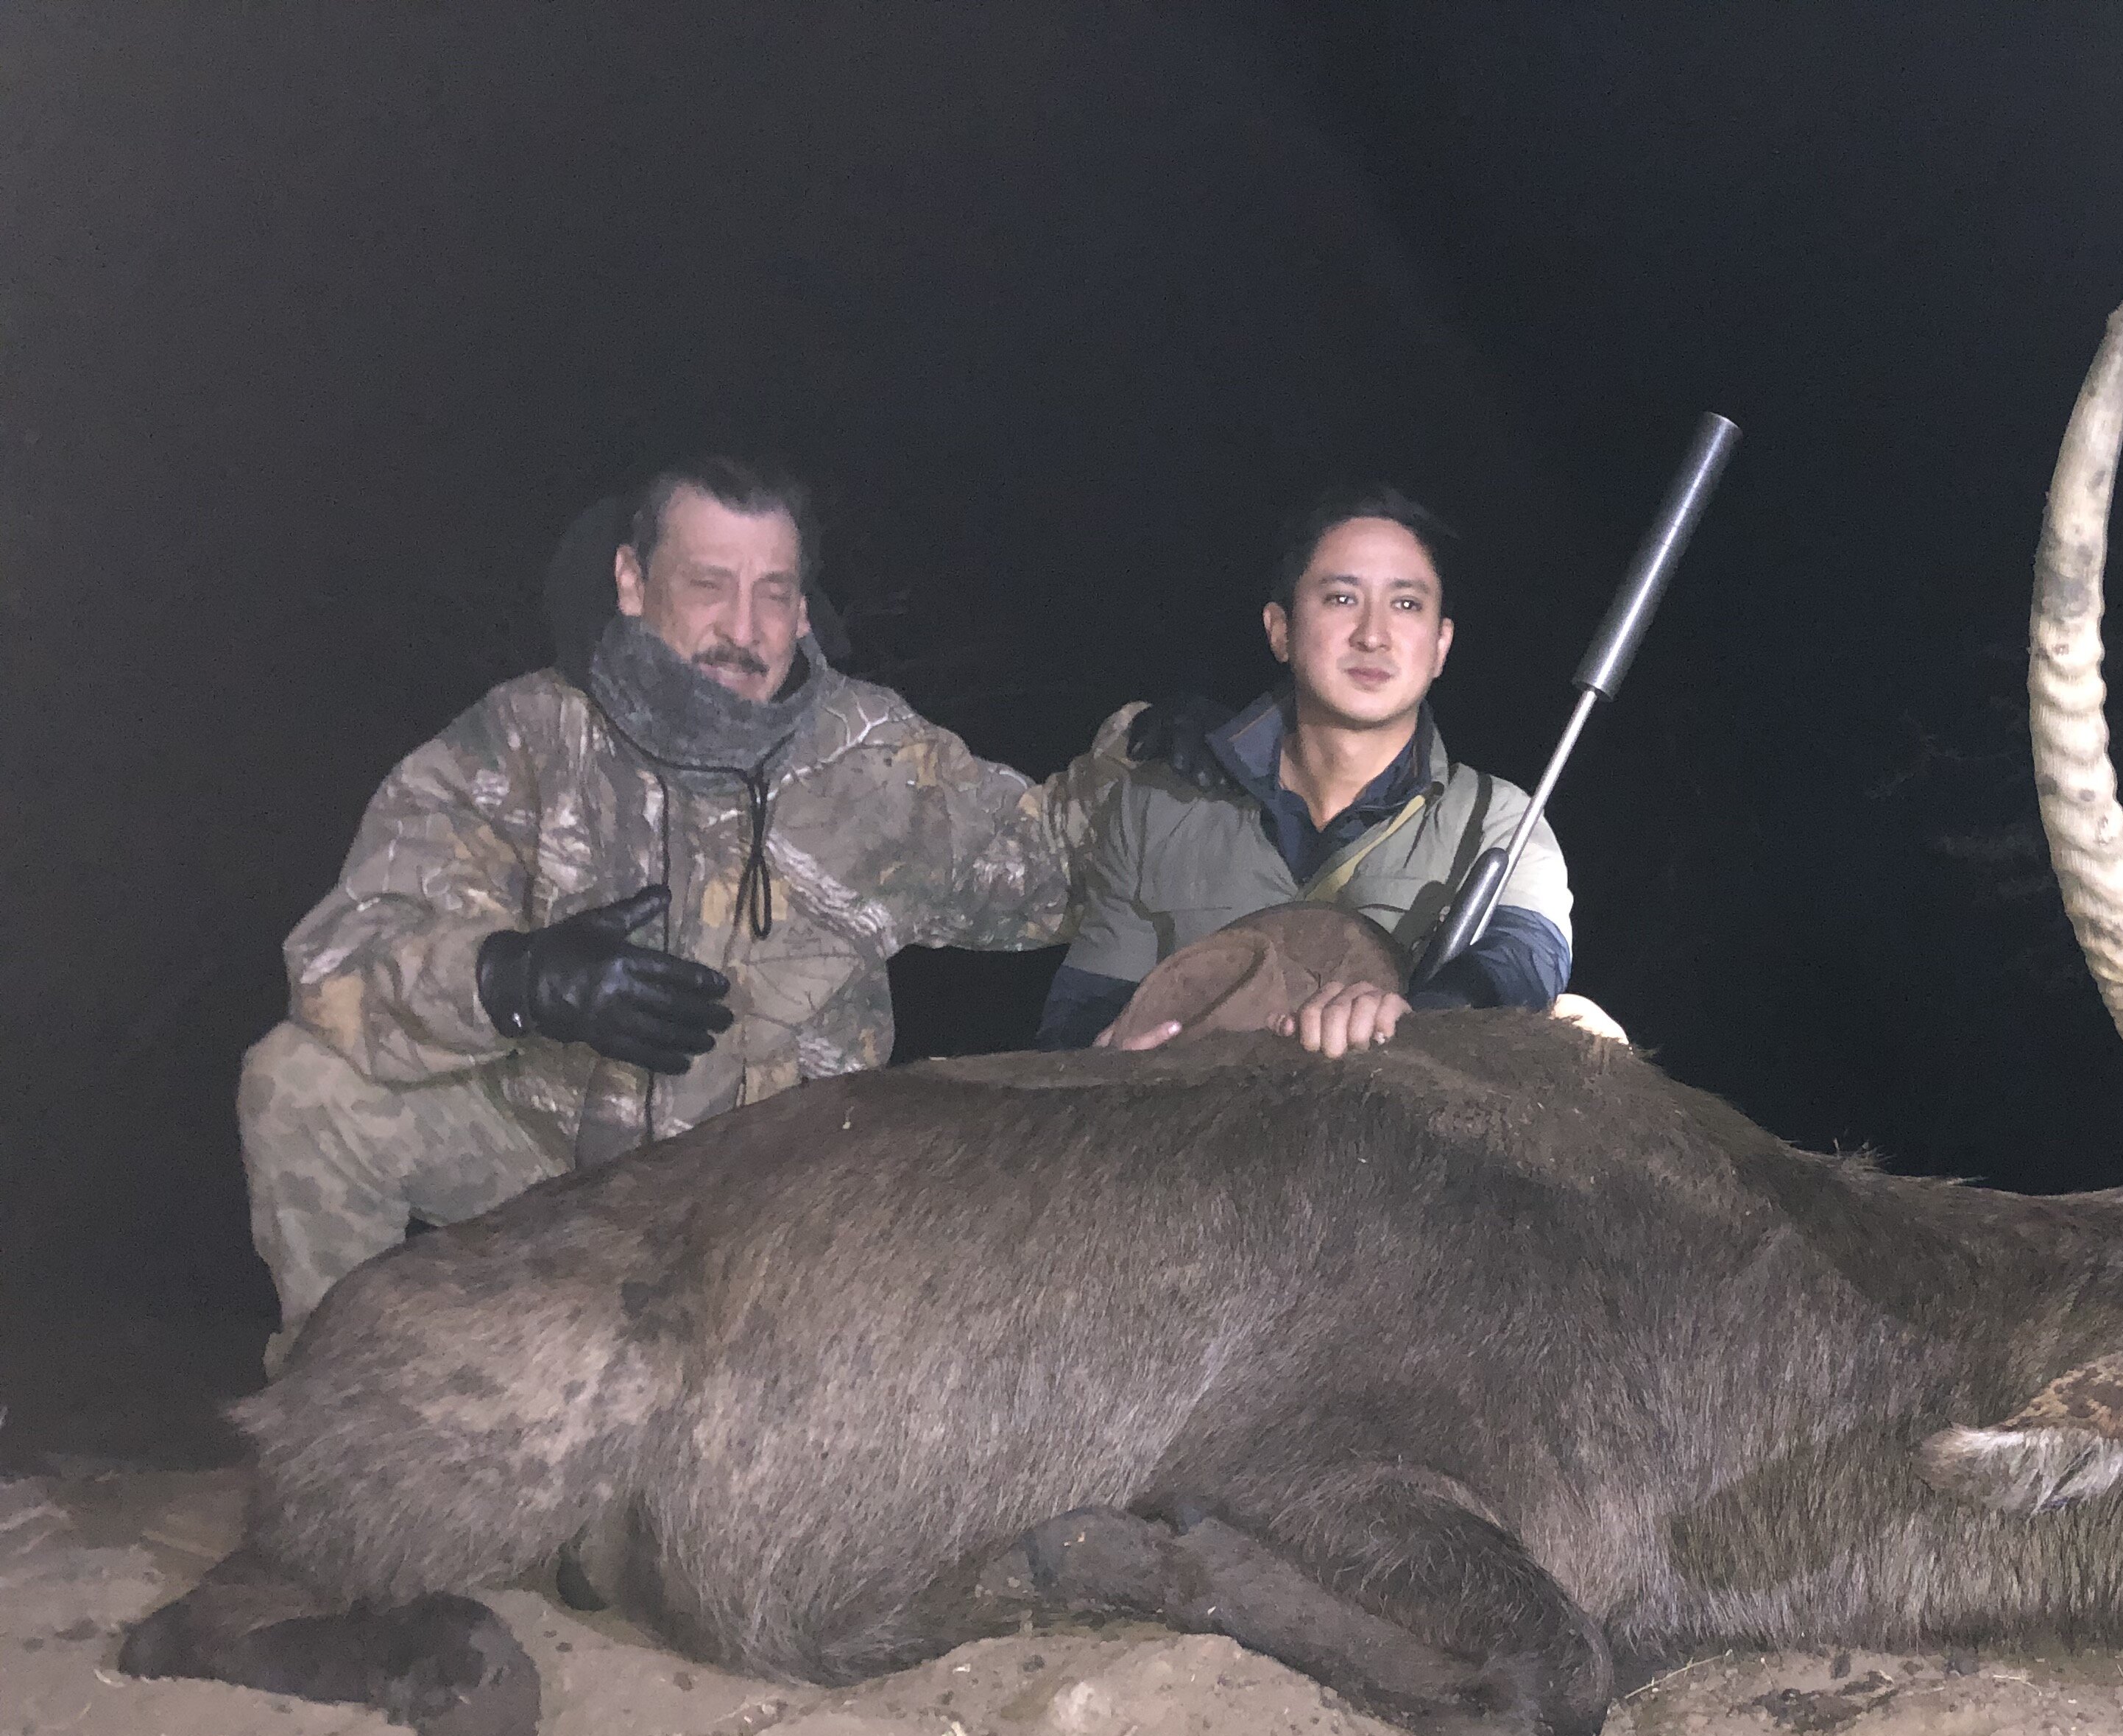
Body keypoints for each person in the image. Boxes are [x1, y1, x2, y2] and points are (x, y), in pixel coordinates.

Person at [243, 456, 1126, 1372]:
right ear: (632, 581)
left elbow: (1053, 868)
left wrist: (1149, 766)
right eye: (708, 586)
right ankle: (341, 1426)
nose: (744, 630)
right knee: (302, 1083)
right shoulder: (526, 737)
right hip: (549, 1180)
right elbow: (338, 960)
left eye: (774, 594)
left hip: (774, 1213)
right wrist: (514, 980)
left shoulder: (876, 757)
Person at [1036, 486, 1572, 1059]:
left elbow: (1528, 957)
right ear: (1280, 630)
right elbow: (1084, 1007)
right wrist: (1100, 1050)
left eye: (1407, 604)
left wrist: (1424, 1017)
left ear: (1441, 646)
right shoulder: (1153, 805)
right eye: (1341, 598)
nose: (1373, 634)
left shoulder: (1502, 819)